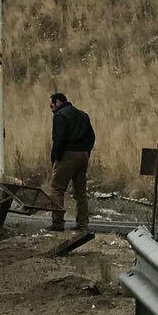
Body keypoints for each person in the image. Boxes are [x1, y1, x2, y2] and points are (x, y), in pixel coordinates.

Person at [47, 92, 94, 232]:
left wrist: (55, 156)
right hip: (83, 155)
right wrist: (86, 152)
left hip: (67, 155)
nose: (51, 109)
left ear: (58, 102)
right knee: (81, 193)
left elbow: (58, 139)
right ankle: (83, 224)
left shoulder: (60, 115)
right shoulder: (83, 115)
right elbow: (91, 137)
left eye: (52, 105)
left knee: (57, 189)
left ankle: (57, 223)